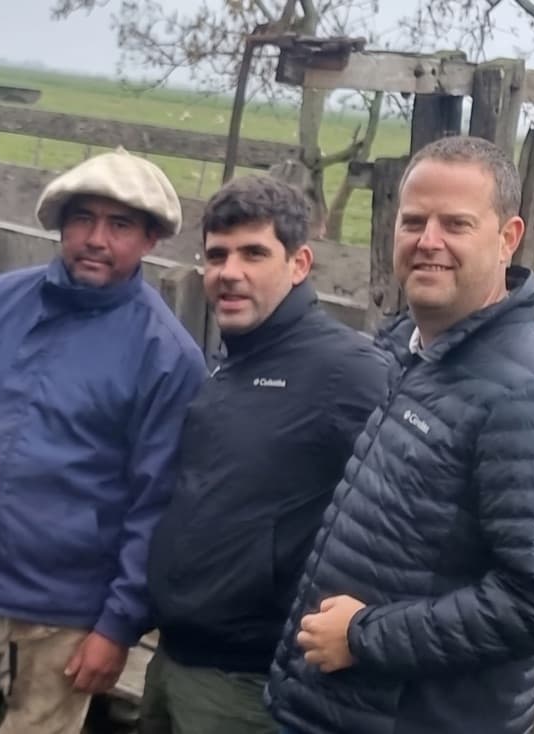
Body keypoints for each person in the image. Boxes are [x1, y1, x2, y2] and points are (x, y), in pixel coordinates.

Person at [266, 135, 534, 734]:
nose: (428, 242)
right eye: (414, 221)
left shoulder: (530, 392)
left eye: (456, 224)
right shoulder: (415, 349)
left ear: (508, 238)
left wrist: (366, 637)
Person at [0, 147, 208, 733]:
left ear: (150, 239)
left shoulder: (165, 357)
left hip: (63, 613)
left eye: (119, 225)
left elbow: (155, 506)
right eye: (83, 219)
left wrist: (117, 626)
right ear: (60, 224)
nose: (96, 238)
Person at [138, 175, 388, 734]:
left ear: (299, 264)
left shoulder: (344, 371)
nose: (230, 272)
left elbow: (431, 456)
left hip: (250, 682)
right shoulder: (231, 362)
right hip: (176, 657)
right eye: (218, 255)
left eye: (254, 253)